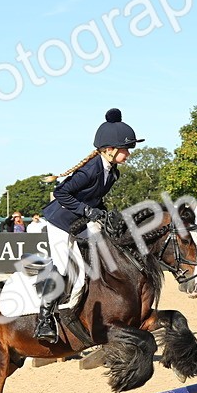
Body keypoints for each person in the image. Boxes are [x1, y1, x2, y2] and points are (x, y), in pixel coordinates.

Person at [34, 107, 142, 343]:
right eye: (125, 149)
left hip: (80, 220)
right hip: (60, 221)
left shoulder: (112, 173)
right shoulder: (90, 170)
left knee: (105, 249)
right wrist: (87, 210)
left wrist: (103, 213)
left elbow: (94, 199)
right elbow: (60, 193)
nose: (128, 154)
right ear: (109, 150)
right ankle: (44, 320)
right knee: (63, 267)